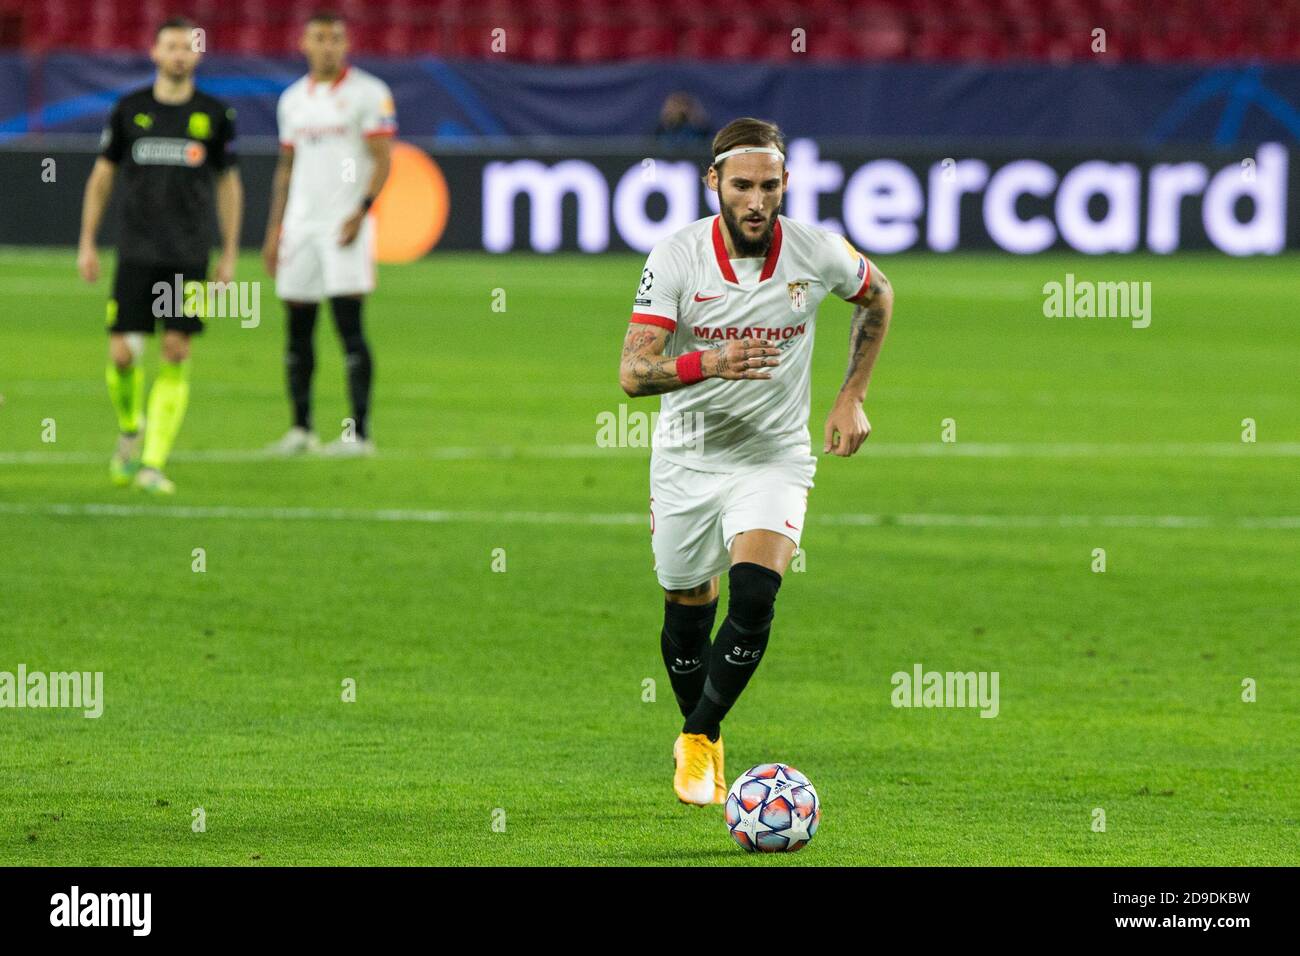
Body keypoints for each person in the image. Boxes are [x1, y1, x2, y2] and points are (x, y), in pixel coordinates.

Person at [618, 117, 895, 805]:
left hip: (773, 457)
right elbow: (632, 372)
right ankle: (705, 737)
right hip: (687, 458)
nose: (755, 200)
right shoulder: (677, 256)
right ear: (713, 181)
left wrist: (850, 396)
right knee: (687, 606)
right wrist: (712, 361)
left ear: (785, 185)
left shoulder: (816, 251)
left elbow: (877, 295)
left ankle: (697, 733)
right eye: (741, 185)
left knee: (755, 594)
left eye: (769, 186)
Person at [78, 16, 242, 494]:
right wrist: (88, 241)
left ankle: (152, 463)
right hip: (136, 250)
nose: (179, 54)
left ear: (197, 55)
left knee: (175, 349)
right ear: (154, 52)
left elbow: (228, 183)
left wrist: (229, 252)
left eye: (187, 47)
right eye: (170, 46)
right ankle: (131, 428)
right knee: (124, 355)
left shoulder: (214, 114)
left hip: (188, 253)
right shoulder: (129, 110)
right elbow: (102, 177)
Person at [262, 10, 396, 457]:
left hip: (344, 226)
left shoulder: (369, 94)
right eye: (320, 38)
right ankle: (300, 429)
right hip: (300, 227)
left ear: (346, 44)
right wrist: (274, 229)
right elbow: (286, 166)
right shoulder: (293, 100)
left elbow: (382, 158)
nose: (328, 46)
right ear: (304, 43)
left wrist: (361, 211)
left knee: (348, 327)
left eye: (336, 38)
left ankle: (359, 433)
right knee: (297, 328)